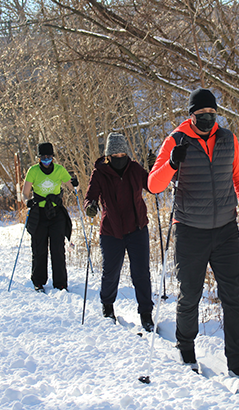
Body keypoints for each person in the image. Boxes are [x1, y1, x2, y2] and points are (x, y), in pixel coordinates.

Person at [148, 88, 239, 383]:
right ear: (191, 115)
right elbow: (154, 185)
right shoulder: (176, 140)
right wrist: (173, 162)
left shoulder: (228, 139)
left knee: (234, 298)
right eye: (202, 115)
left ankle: (236, 362)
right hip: (190, 231)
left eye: (212, 114)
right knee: (190, 297)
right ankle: (186, 349)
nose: (208, 119)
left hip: (225, 231)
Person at [83, 132, 156, 332]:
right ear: (108, 156)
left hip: (137, 228)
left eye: (123, 153)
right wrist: (90, 206)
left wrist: (154, 167)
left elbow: (153, 186)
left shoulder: (134, 169)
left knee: (141, 273)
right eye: (115, 155)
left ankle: (146, 314)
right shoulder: (99, 172)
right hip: (111, 231)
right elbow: (90, 196)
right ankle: (107, 306)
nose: (119, 158)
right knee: (111, 272)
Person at [23, 142, 78, 292]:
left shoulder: (60, 170)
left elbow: (72, 187)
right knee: (39, 249)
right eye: (43, 157)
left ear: (53, 158)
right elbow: (25, 192)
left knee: (57, 249)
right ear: (39, 158)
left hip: (55, 213)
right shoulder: (33, 171)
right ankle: (38, 281)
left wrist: (74, 184)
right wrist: (27, 201)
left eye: (49, 157)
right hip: (39, 214)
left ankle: (60, 283)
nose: (46, 159)